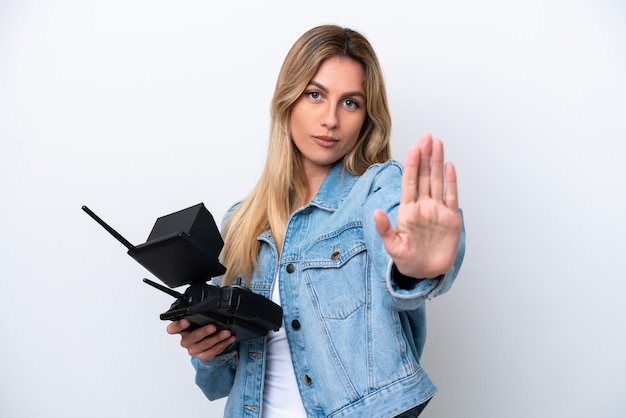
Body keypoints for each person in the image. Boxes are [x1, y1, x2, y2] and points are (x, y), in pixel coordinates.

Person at [167, 24, 465, 418]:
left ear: (366, 117)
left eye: (351, 103)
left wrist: (414, 269)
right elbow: (218, 385)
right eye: (315, 95)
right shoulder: (241, 222)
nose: (330, 119)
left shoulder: (377, 187)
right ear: (288, 100)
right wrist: (207, 352)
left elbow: (402, 256)